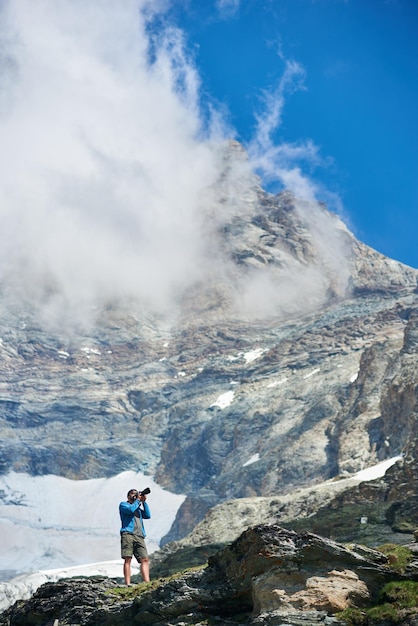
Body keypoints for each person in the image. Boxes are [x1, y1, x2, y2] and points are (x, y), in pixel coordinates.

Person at [119, 488, 151, 585]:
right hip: (128, 534)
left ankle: (147, 582)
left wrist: (144, 502)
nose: (135, 496)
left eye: (136, 494)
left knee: (144, 559)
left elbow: (148, 515)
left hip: (139, 535)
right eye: (133, 494)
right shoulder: (123, 505)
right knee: (128, 558)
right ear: (128, 496)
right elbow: (130, 510)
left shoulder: (138, 508)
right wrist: (137, 501)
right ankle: (128, 583)